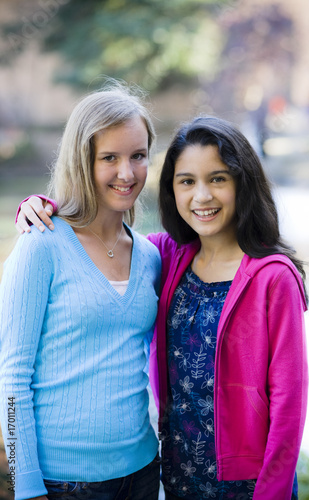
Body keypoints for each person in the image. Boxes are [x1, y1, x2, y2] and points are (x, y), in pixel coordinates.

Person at [15, 116, 308, 500]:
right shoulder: (165, 256)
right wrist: (43, 206)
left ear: (243, 182)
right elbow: (99, 241)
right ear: (171, 189)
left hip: (247, 482)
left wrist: (273, 492)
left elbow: (290, 401)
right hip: (176, 473)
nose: (202, 196)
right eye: (187, 181)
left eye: (218, 178)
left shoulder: (273, 277)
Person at [0, 82, 162, 500]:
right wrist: (26, 484)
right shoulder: (41, 244)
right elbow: (13, 376)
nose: (127, 173)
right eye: (109, 157)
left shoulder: (150, 256)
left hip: (143, 472)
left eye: (138, 156)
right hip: (65, 484)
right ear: (82, 160)